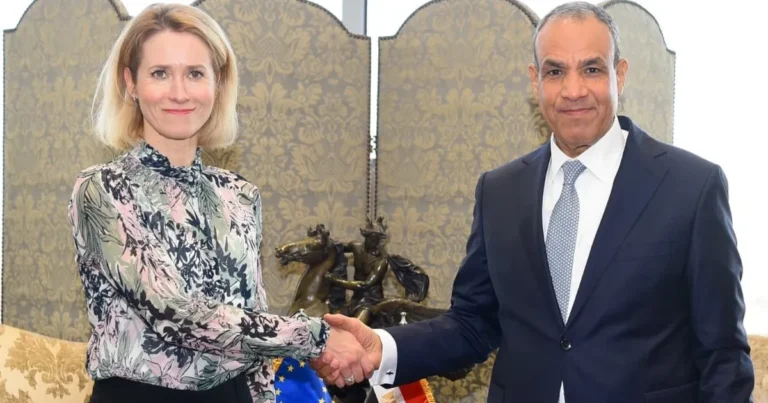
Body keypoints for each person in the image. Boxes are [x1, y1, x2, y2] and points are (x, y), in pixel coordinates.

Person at [312, 2, 755, 402]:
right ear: (535, 80)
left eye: (592, 69)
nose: (573, 90)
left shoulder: (691, 187)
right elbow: (472, 324)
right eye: (556, 71)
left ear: (619, 75)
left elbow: (723, 354)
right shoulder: (500, 191)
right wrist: (382, 347)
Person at [67, 4, 371, 403]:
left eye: (195, 73)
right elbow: (175, 313)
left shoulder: (239, 193)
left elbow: (250, 322)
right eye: (160, 73)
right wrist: (317, 337)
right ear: (131, 83)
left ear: (218, 83)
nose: (179, 92)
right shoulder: (102, 188)